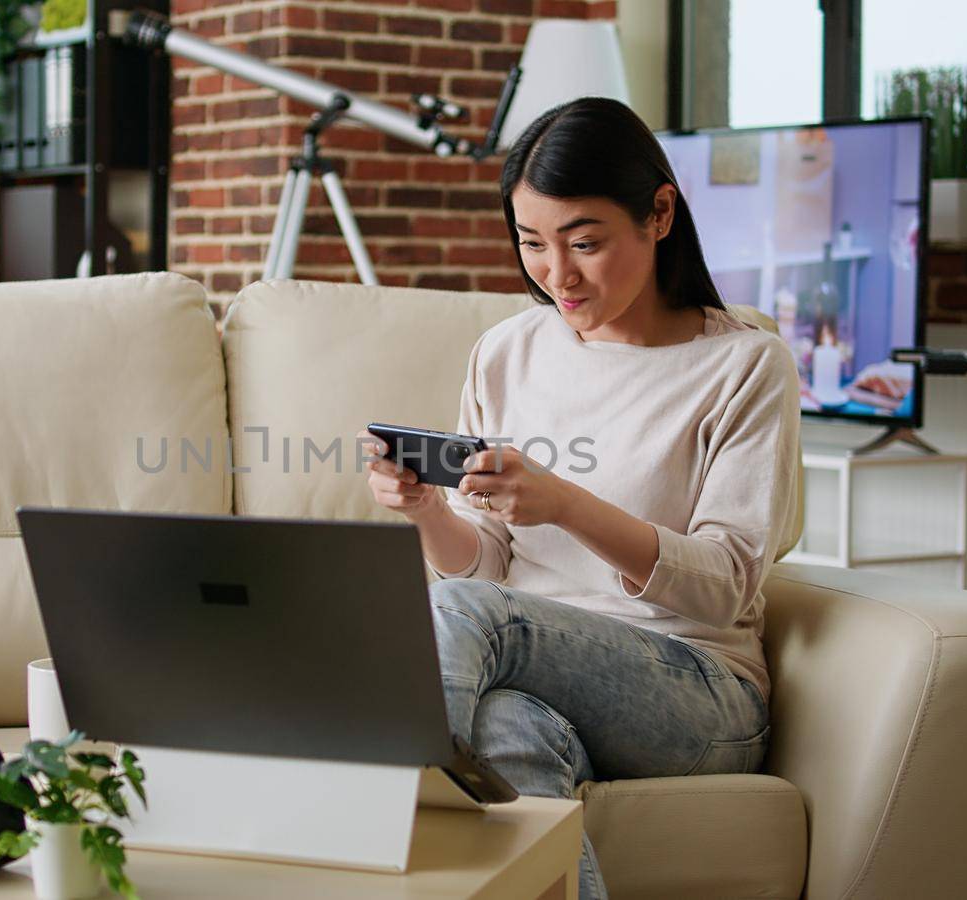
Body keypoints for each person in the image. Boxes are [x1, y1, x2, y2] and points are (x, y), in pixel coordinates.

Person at [359, 98, 800, 899]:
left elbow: (728, 583)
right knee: (503, 736)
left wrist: (566, 504)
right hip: (537, 677)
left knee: (468, 616)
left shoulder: (744, 365)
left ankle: (365, 810)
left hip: (699, 692)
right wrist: (427, 509)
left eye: (585, 242)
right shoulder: (507, 351)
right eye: (532, 243)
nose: (556, 274)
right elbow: (487, 566)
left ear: (659, 213)